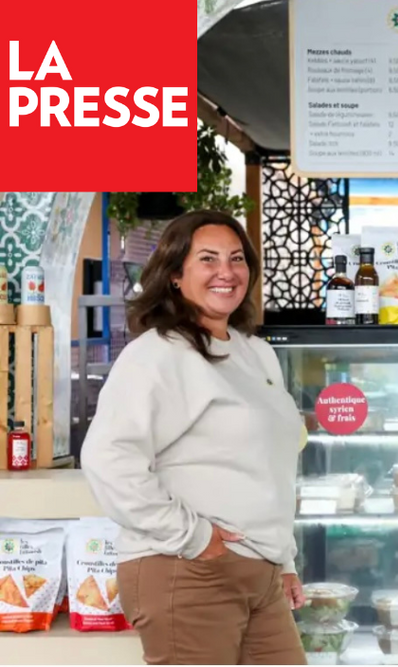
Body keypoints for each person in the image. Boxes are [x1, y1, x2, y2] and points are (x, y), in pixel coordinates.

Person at [81, 211, 307, 665]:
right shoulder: (158, 354)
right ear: (176, 276)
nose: (226, 272)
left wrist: (283, 561)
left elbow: (269, 469)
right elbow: (109, 459)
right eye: (208, 259)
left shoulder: (255, 353)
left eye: (237, 258)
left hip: (259, 573)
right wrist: (196, 537)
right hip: (187, 570)